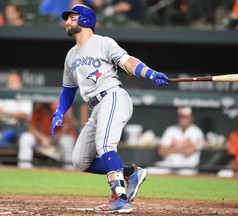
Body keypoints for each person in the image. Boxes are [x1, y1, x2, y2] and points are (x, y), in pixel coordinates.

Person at [50, 4, 169, 214]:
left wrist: (149, 72)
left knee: (105, 145)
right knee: (80, 161)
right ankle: (130, 173)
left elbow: (128, 62)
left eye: (72, 18)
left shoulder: (103, 42)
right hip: (96, 107)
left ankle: (120, 198)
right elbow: (68, 90)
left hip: (112, 97)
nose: (66, 22)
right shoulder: (71, 56)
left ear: (85, 20)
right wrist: (59, 112)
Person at [146, 106, 205, 176]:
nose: (182, 119)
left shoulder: (197, 132)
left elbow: (189, 151)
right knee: (148, 170)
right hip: (169, 164)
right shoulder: (171, 130)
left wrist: (172, 148)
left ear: (191, 118)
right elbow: (161, 151)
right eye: (181, 117)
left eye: (185, 117)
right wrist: (182, 148)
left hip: (188, 166)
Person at [17, 102, 77, 170]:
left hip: (56, 140)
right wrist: (42, 138)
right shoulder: (38, 111)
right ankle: (24, 167)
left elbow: (65, 129)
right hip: (40, 141)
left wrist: (52, 139)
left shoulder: (60, 110)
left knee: (67, 140)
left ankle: (69, 168)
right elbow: (31, 128)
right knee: (26, 137)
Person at [0, 71, 32, 147]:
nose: (10, 85)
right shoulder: (3, 96)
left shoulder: (26, 97)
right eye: (9, 82)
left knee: (26, 140)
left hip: (21, 129)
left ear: (20, 84)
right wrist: (14, 114)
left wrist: (6, 113)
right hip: (4, 128)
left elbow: (24, 115)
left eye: (14, 82)